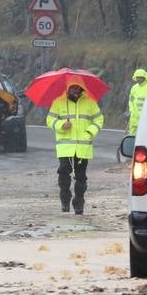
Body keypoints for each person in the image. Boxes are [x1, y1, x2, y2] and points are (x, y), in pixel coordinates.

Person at [47, 77, 104, 214]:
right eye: (71, 87)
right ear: (68, 88)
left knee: (80, 177)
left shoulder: (90, 103)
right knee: (63, 172)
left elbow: (99, 119)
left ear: (81, 88)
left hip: (83, 148)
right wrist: (61, 125)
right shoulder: (59, 102)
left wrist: (89, 132)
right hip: (65, 147)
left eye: (76, 87)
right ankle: (65, 200)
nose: (74, 89)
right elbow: (50, 120)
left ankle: (79, 202)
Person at [126, 68, 147, 137]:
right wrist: (131, 110)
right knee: (132, 135)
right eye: (137, 77)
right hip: (135, 116)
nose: (138, 79)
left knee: (145, 135)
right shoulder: (134, 88)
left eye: (140, 77)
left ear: (144, 77)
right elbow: (131, 100)